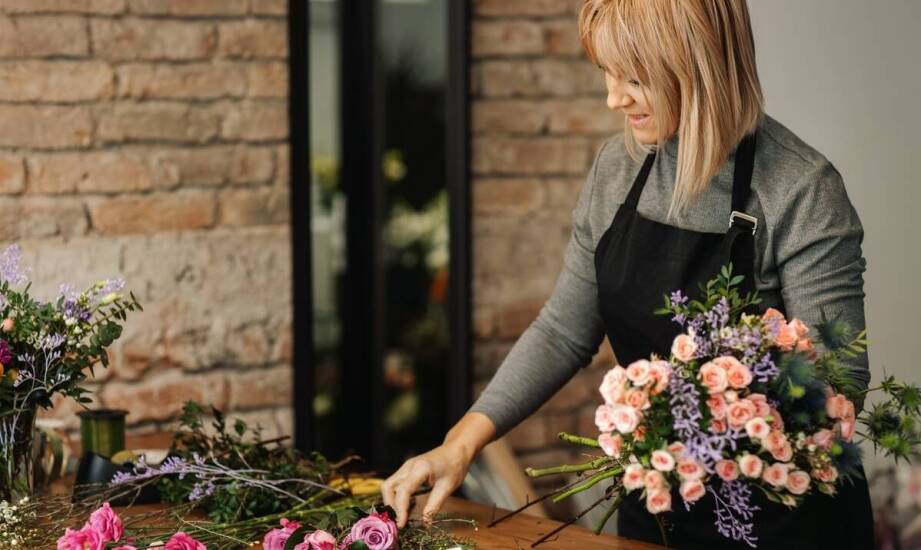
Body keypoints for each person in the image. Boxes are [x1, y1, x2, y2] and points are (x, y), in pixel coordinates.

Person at [381, 0, 875, 547]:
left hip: (784, 522)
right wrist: (459, 443)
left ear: (699, 66)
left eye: (635, 79)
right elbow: (562, 331)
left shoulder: (801, 189)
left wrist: (705, 411)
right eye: (608, 73)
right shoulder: (616, 169)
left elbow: (838, 385)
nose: (614, 98)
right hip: (657, 509)